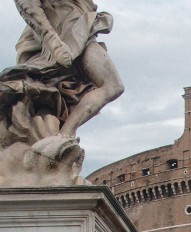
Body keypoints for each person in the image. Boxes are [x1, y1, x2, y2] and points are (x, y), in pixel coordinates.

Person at [8, 0, 125, 139]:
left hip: (76, 26)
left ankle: (62, 136)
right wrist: (53, 43)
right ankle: (63, 136)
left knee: (59, 103)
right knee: (113, 85)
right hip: (66, 30)